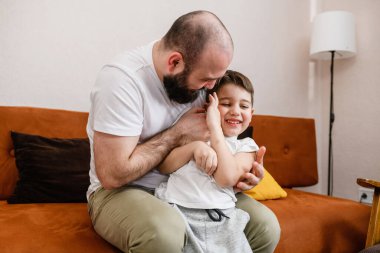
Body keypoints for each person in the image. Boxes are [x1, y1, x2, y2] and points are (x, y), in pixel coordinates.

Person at [86, 10, 280, 253]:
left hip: (196, 185)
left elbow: (228, 144)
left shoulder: (202, 74)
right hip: (123, 190)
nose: (211, 87)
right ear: (175, 62)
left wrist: (246, 175)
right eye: (207, 80)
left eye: (216, 79)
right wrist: (176, 134)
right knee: (164, 233)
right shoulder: (122, 81)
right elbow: (112, 176)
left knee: (265, 227)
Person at [156, 70, 262, 253]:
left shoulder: (247, 147)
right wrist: (194, 147)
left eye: (244, 106)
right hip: (176, 211)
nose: (236, 111)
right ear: (210, 106)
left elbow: (226, 178)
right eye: (226, 104)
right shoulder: (193, 135)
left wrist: (215, 127)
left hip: (221, 220)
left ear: (251, 113)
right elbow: (164, 166)